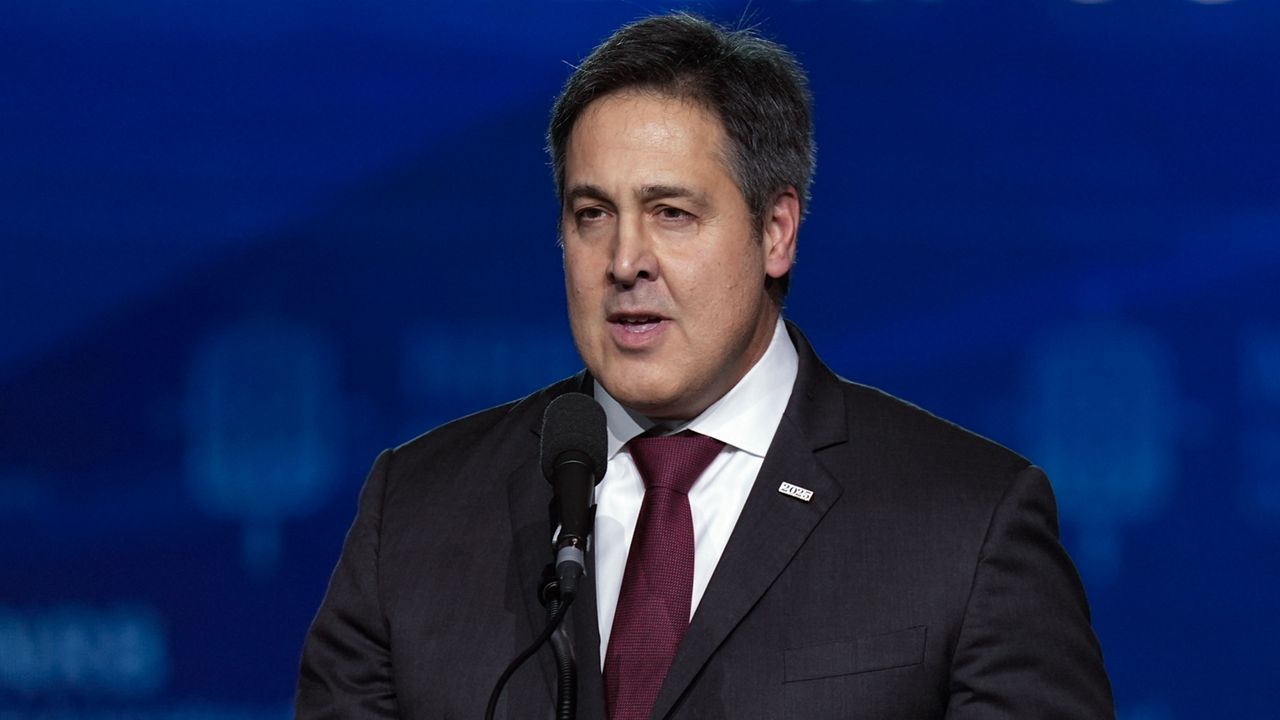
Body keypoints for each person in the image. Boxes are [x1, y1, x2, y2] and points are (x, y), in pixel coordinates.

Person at [296, 13, 1113, 720]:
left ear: (777, 231)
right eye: (592, 215)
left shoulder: (968, 525)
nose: (625, 261)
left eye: (672, 214)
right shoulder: (416, 512)